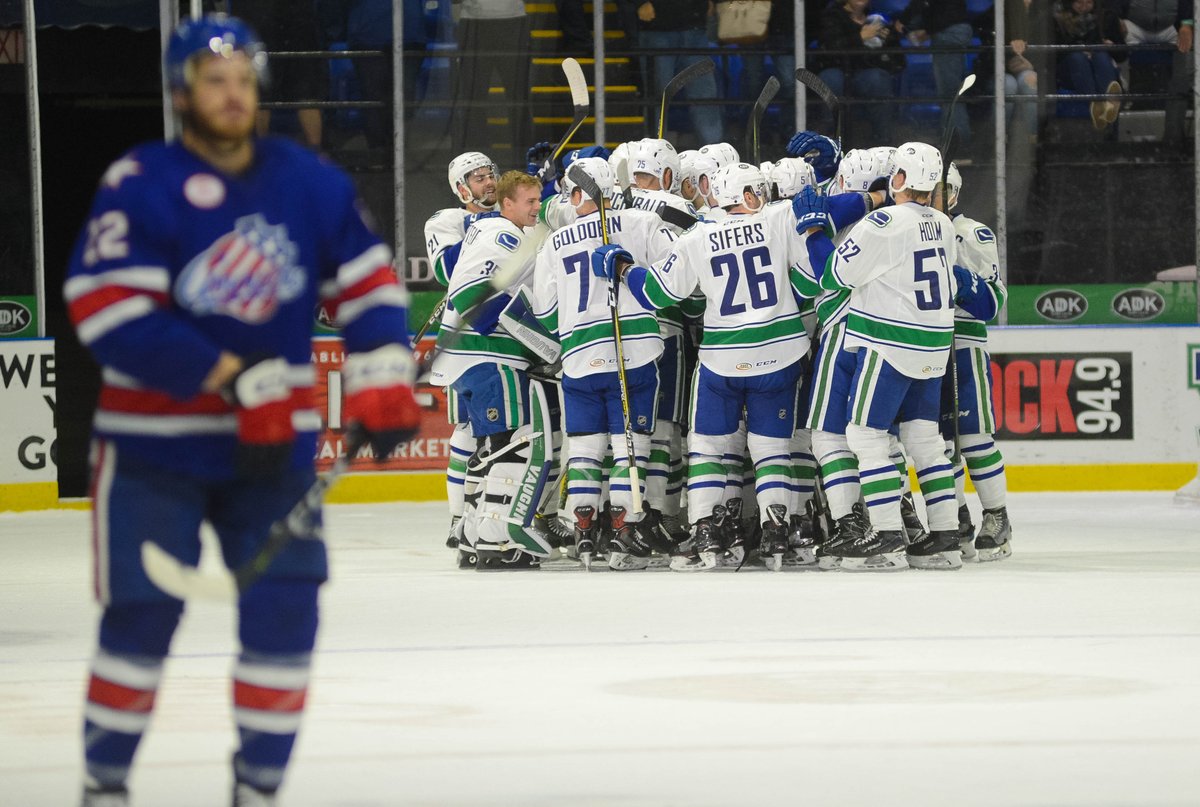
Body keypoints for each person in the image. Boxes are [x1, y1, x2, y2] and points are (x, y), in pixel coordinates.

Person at [66, 15, 421, 806]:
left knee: (286, 616)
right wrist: (227, 375)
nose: (231, 94)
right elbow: (105, 306)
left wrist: (383, 372)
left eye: (241, 80)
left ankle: (257, 790)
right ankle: (104, 786)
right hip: (156, 450)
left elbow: (366, 283)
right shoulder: (140, 181)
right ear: (181, 92)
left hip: (275, 453)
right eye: (212, 80)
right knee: (140, 619)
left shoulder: (307, 180)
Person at [594, 162, 815, 572]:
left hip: (722, 360)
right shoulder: (780, 218)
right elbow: (807, 284)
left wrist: (622, 268)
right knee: (771, 450)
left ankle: (706, 530)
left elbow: (658, 292)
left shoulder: (697, 237)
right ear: (749, 195)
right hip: (782, 354)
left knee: (708, 448)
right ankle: (775, 529)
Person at [817, 142, 962, 571]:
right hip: (935, 346)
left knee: (865, 437)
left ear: (898, 179)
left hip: (888, 344)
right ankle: (945, 537)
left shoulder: (881, 222)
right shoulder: (944, 223)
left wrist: (812, 233)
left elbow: (835, 275)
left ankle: (885, 535)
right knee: (926, 443)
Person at [531, 157, 676, 569]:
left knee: (585, 449)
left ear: (579, 194)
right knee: (631, 446)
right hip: (634, 354)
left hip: (578, 359)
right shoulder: (641, 224)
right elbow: (671, 283)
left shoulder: (554, 242)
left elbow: (545, 311)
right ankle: (624, 529)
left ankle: (583, 530)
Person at [429, 170, 557, 570]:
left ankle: (471, 534)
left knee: (486, 449)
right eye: (530, 202)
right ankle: (497, 540)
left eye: (539, 200)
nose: (537, 208)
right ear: (507, 203)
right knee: (512, 443)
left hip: (466, 358)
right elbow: (470, 294)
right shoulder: (504, 235)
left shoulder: (494, 230)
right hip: (489, 356)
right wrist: (532, 336)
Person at [937, 163, 1014, 561]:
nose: (935, 195)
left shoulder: (972, 233)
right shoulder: (909, 229)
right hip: (928, 349)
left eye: (943, 189)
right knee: (938, 444)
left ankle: (997, 517)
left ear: (955, 193)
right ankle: (957, 516)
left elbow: (992, 303)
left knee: (974, 438)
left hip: (964, 346)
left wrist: (962, 279)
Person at [422, 152, 498, 550]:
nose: (488, 182)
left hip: (510, 334)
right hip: (466, 340)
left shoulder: (505, 215)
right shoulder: (444, 221)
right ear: (461, 188)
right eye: (479, 178)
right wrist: (484, 224)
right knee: (469, 428)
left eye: (491, 175)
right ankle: (458, 518)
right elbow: (447, 271)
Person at [233, 0, 328, 150]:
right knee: (264, 93)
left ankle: (316, 151)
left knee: (304, 92)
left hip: (290, 25)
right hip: (276, 23)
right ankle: (260, 150)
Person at [627, 0, 724, 145]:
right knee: (659, 95)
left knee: (703, 94)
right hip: (660, 26)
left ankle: (714, 150)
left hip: (688, 25)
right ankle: (656, 149)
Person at [451, 2, 532, 166]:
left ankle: (479, 163)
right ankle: (481, 162)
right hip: (491, 20)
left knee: (478, 100)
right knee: (511, 99)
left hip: (489, 20)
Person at [814, 0, 904, 145]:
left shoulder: (878, 19)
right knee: (831, 78)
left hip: (866, 72)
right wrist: (860, 37)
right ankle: (829, 138)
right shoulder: (830, 17)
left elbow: (897, 60)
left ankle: (882, 140)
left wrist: (890, 38)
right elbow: (828, 49)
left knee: (877, 78)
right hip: (836, 69)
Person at [894, 0, 974, 146]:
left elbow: (921, 6)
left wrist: (905, 23)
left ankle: (956, 144)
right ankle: (956, 141)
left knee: (950, 93)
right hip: (954, 29)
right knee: (953, 91)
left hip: (949, 31)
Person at [1054, 0, 1127, 130]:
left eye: (1088, 3)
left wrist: (1112, 46)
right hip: (1072, 70)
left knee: (1101, 54)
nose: (1084, 7)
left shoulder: (1107, 17)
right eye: (1079, 3)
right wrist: (1078, 49)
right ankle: (1099, 104)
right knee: (1077, 58)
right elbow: (1055, 55)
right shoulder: (1058, 19)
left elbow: (1122, 55)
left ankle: (1106, 103)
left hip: (1099, 68)